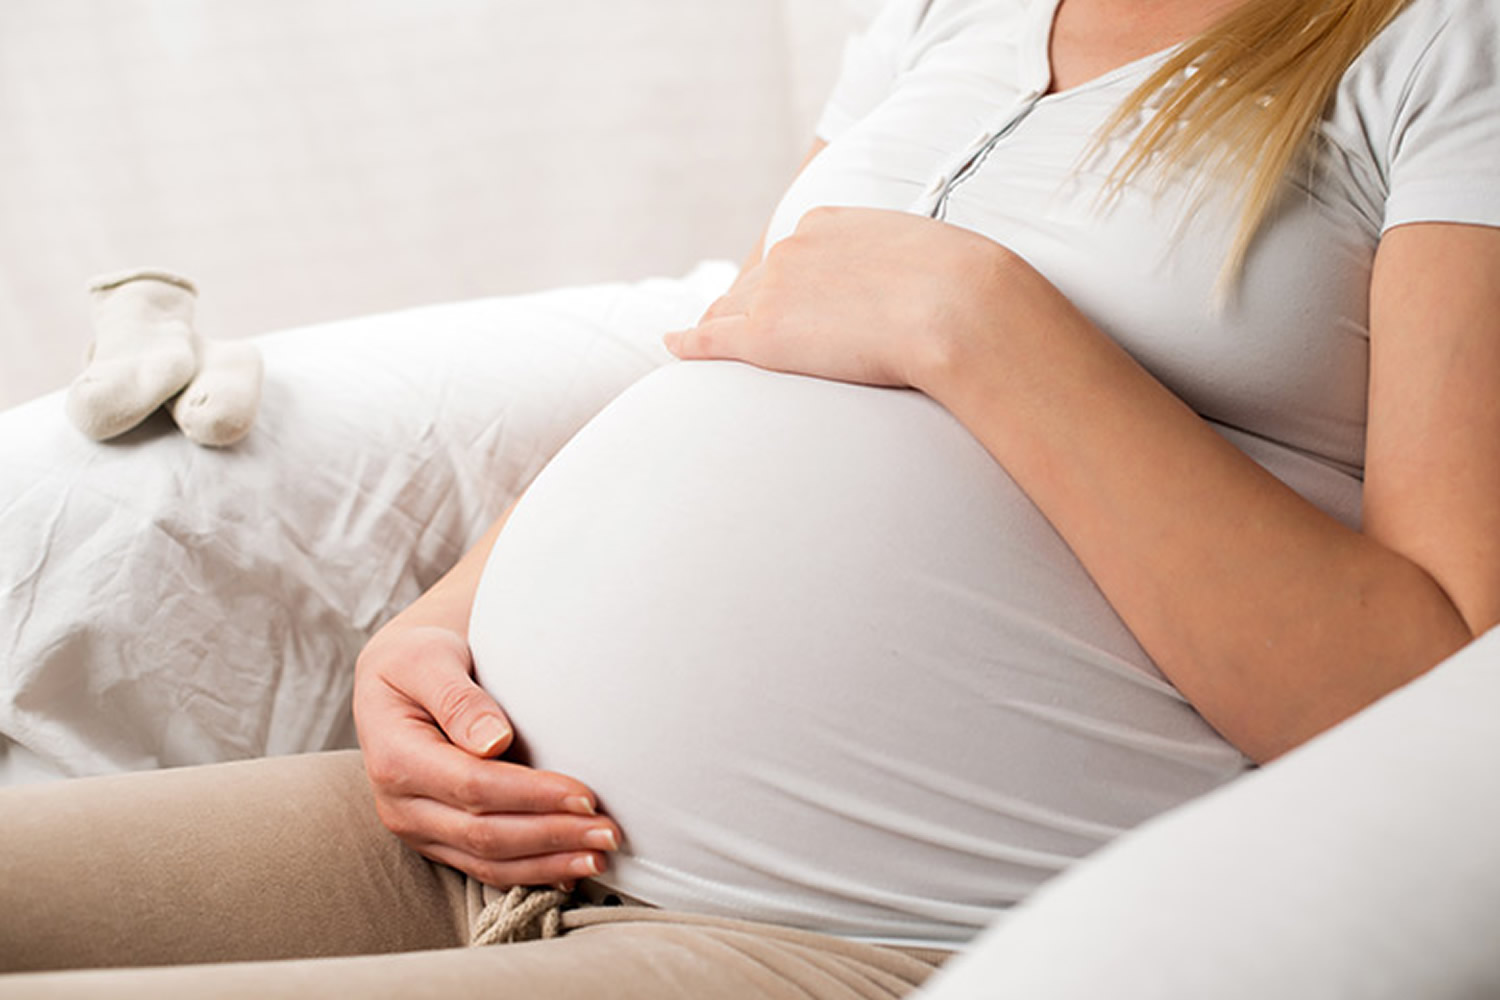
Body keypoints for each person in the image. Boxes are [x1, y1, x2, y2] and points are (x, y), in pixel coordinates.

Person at [2, 0, 1496, 994]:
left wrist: (982, 324)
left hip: (841, 923)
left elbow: (1430, 697)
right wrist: (437, 629)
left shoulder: (1444, 47)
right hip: (513, 812)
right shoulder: (944, 13)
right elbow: (726, 357)